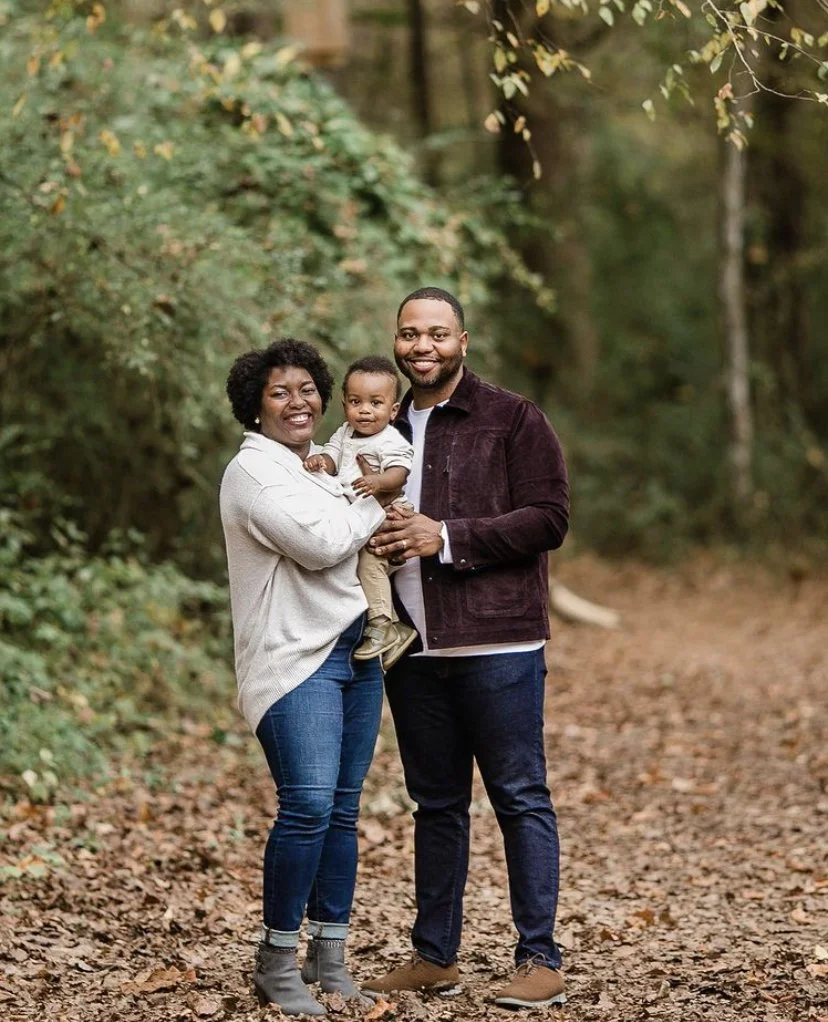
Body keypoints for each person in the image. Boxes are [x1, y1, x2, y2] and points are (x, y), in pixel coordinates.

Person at [360, 287, 571, 1009]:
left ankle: (540, 958)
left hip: (499, 643)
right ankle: (435, 955)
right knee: (436, 804)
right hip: (411, 647)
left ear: (463, 340)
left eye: (437, 334)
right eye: (410, 334)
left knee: (519, 796)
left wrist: (444, 537)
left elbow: (550, 517)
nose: (422, 346)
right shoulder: (379, 426)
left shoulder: (514, 418)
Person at [219, 338, 398, 1016]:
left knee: (343, 812)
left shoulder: (323, 466)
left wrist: (361, 504)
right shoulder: (253, 475)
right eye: (279, 392)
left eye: (306, 389)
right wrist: (376, 504)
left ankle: (330, 952)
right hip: (295, 665)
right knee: (308, 806)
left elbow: (347, 528)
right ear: (255, 406)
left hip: (358, 655)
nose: (298, 402)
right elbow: (322, 544)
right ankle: (275, 958)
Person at [303, 355, 418, 670]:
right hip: (361, 520)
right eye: (356, 401)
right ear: (344, 404)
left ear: (393, 411)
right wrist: (321, 463)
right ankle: (399, 628)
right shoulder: (344, 434)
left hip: (387, 519)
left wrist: (378, 481)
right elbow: (331, 456)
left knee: (369, 564)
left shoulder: (390, 440)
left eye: (376, 403)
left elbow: (399, 473)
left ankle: (381, 624)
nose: (364, 409)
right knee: (357, 567)